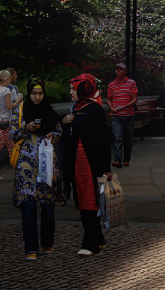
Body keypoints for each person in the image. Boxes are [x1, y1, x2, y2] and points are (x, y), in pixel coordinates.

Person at [60, 74, 112, 255]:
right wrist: (65, 123)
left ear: (84, 89)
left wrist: (107, 169)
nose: (71, 92)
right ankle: (98, 238)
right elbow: (70, 138)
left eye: (74, 89)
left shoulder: (95, 110)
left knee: (90, 200)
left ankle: (90, 243)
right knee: (82, 200)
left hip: (91, 164)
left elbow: (104, 141)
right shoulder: (77, 108)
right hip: (78, 163)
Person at [12, 79, 63, 260]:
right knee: (28, 206)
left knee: (48, 207)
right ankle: (30, 248)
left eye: (40, 93)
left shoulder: (49, 110)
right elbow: (13, 134)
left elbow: (58, 129)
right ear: (29, 93)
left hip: (46, 163)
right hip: (26, 166)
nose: (37, 97)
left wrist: (52, 135)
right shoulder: (20, 111)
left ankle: (48, 243)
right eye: (34, 93)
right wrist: (26, 128)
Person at [107, 63, 138, 168]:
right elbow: (109, 99)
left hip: (129, 115)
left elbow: (134, 99)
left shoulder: (131, 83)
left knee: (128, 139)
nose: (119, 71)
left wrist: (124, 106)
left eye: (121, 69)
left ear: (125, 71)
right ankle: (117, 160)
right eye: (117, 69)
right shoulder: (111, 85)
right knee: (118, 138)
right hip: (116, 115)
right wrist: (111, 108)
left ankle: (126, 159)